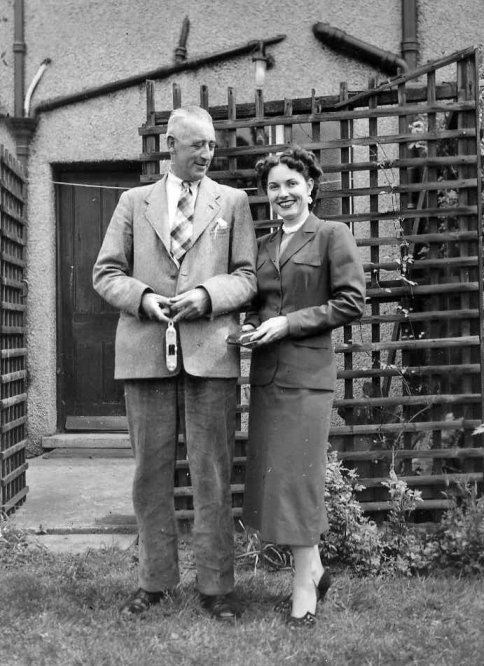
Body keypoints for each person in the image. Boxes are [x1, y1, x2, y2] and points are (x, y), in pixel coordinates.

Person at [93, 105, 257, 621]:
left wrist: (207, 296)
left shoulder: (232, 202)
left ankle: (217, 588)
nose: (207, 154)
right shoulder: (133, 202)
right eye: (197, 145)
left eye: (211, 145)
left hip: (211, 357)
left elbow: (247, 276)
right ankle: (155, 582)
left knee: (213, 475)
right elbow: (106, 272)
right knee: (150, 476)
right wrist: (143, 299)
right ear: (171, 144)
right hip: (145, 355)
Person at [241, 147, 366, 628]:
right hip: (268, 377)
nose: (283, 193)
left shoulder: (332, 235)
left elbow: (351, 301)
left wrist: (288, 324)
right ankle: (313, 570)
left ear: (310, 186)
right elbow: (260, 304)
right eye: (274, 186)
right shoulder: (264, 245)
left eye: (291, 183)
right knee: (278, 481)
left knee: (298, 481)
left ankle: (303, 588)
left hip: (307, 380)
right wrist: (252, 326)